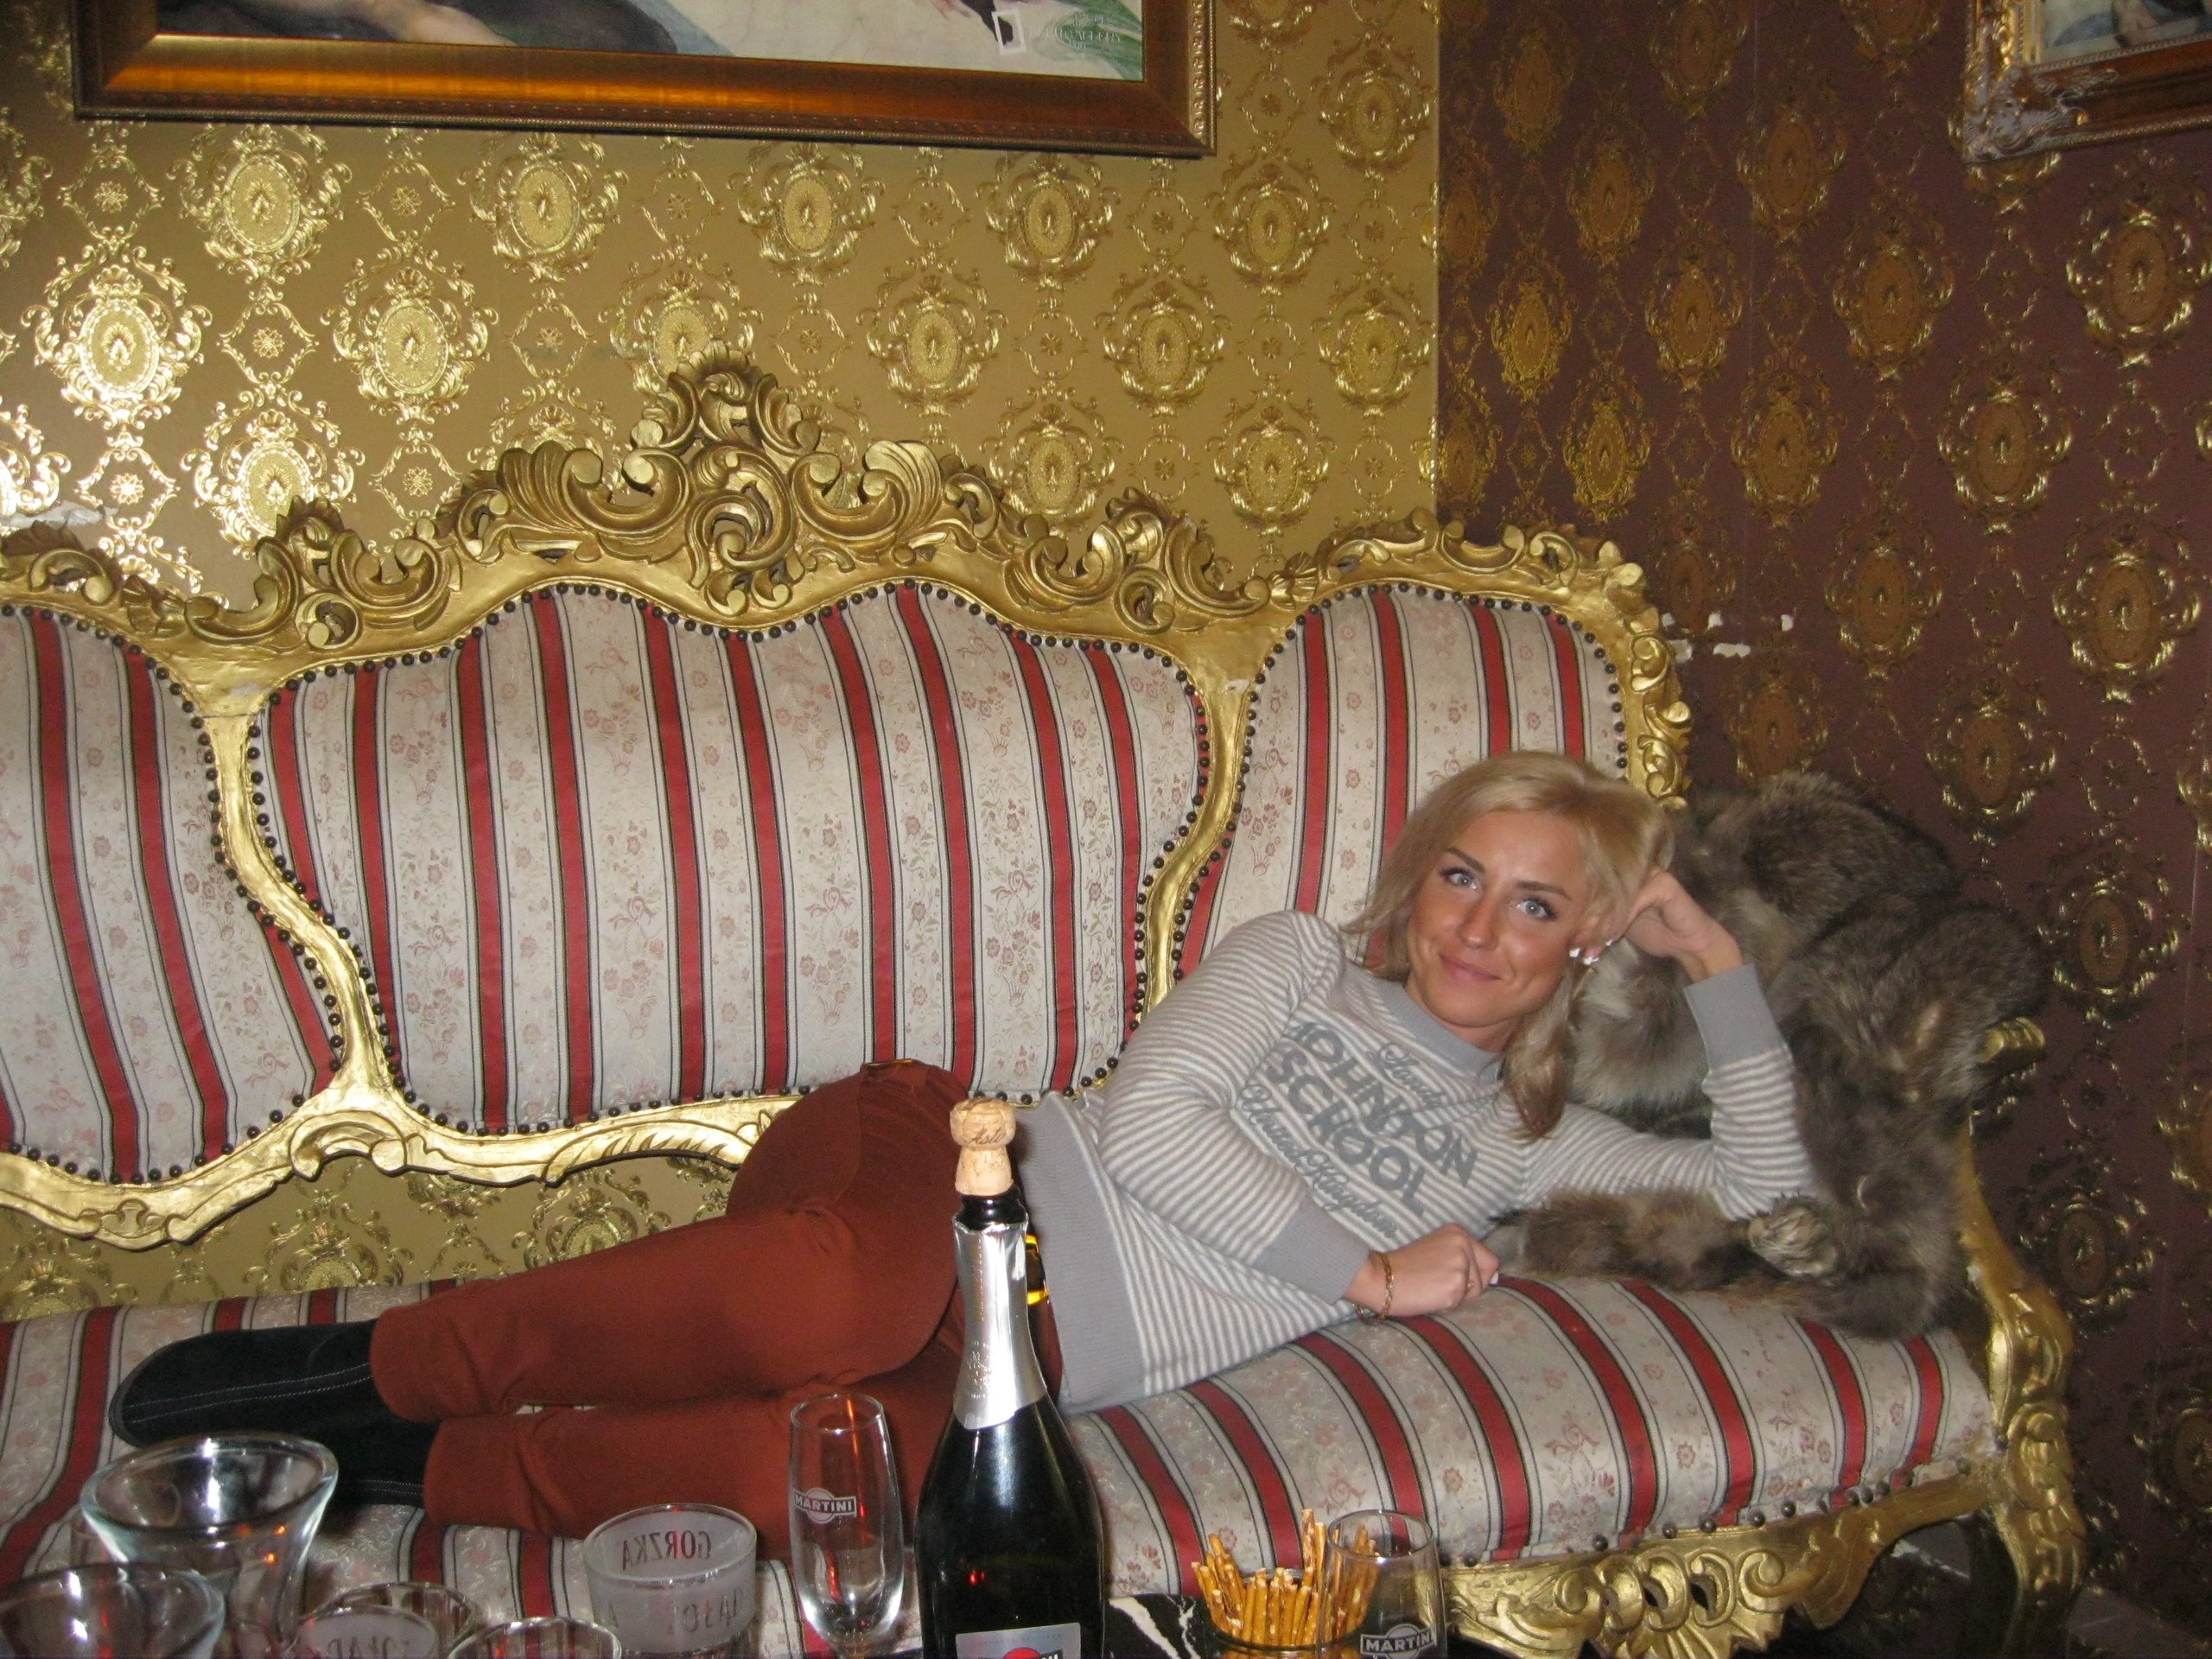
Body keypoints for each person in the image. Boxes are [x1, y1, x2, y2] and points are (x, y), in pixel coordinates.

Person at [111, 753, 1811, 1558]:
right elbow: (1157, 1125)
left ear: (1588, 945)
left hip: (1011, 1361)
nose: (1479, 928)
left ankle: (400, 1469)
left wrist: (1721, 971)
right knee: (847, 1297)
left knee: (839, 1482)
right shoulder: (1296, 957)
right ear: (1417, 874)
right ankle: (374, 1363)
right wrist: (1362, 1274)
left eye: (1537, 906)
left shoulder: (1520, 1147)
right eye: (1460, 875)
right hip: (926, 1167)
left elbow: (1763, 1194)